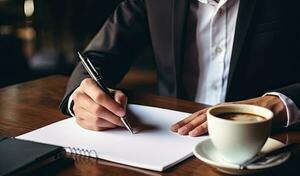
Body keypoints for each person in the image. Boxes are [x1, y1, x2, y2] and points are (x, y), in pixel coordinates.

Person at [60, 0, 300, 136]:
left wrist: (279, 103)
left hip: (272, 144)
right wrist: (80, 99)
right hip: (171, 142)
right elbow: (96, 57)